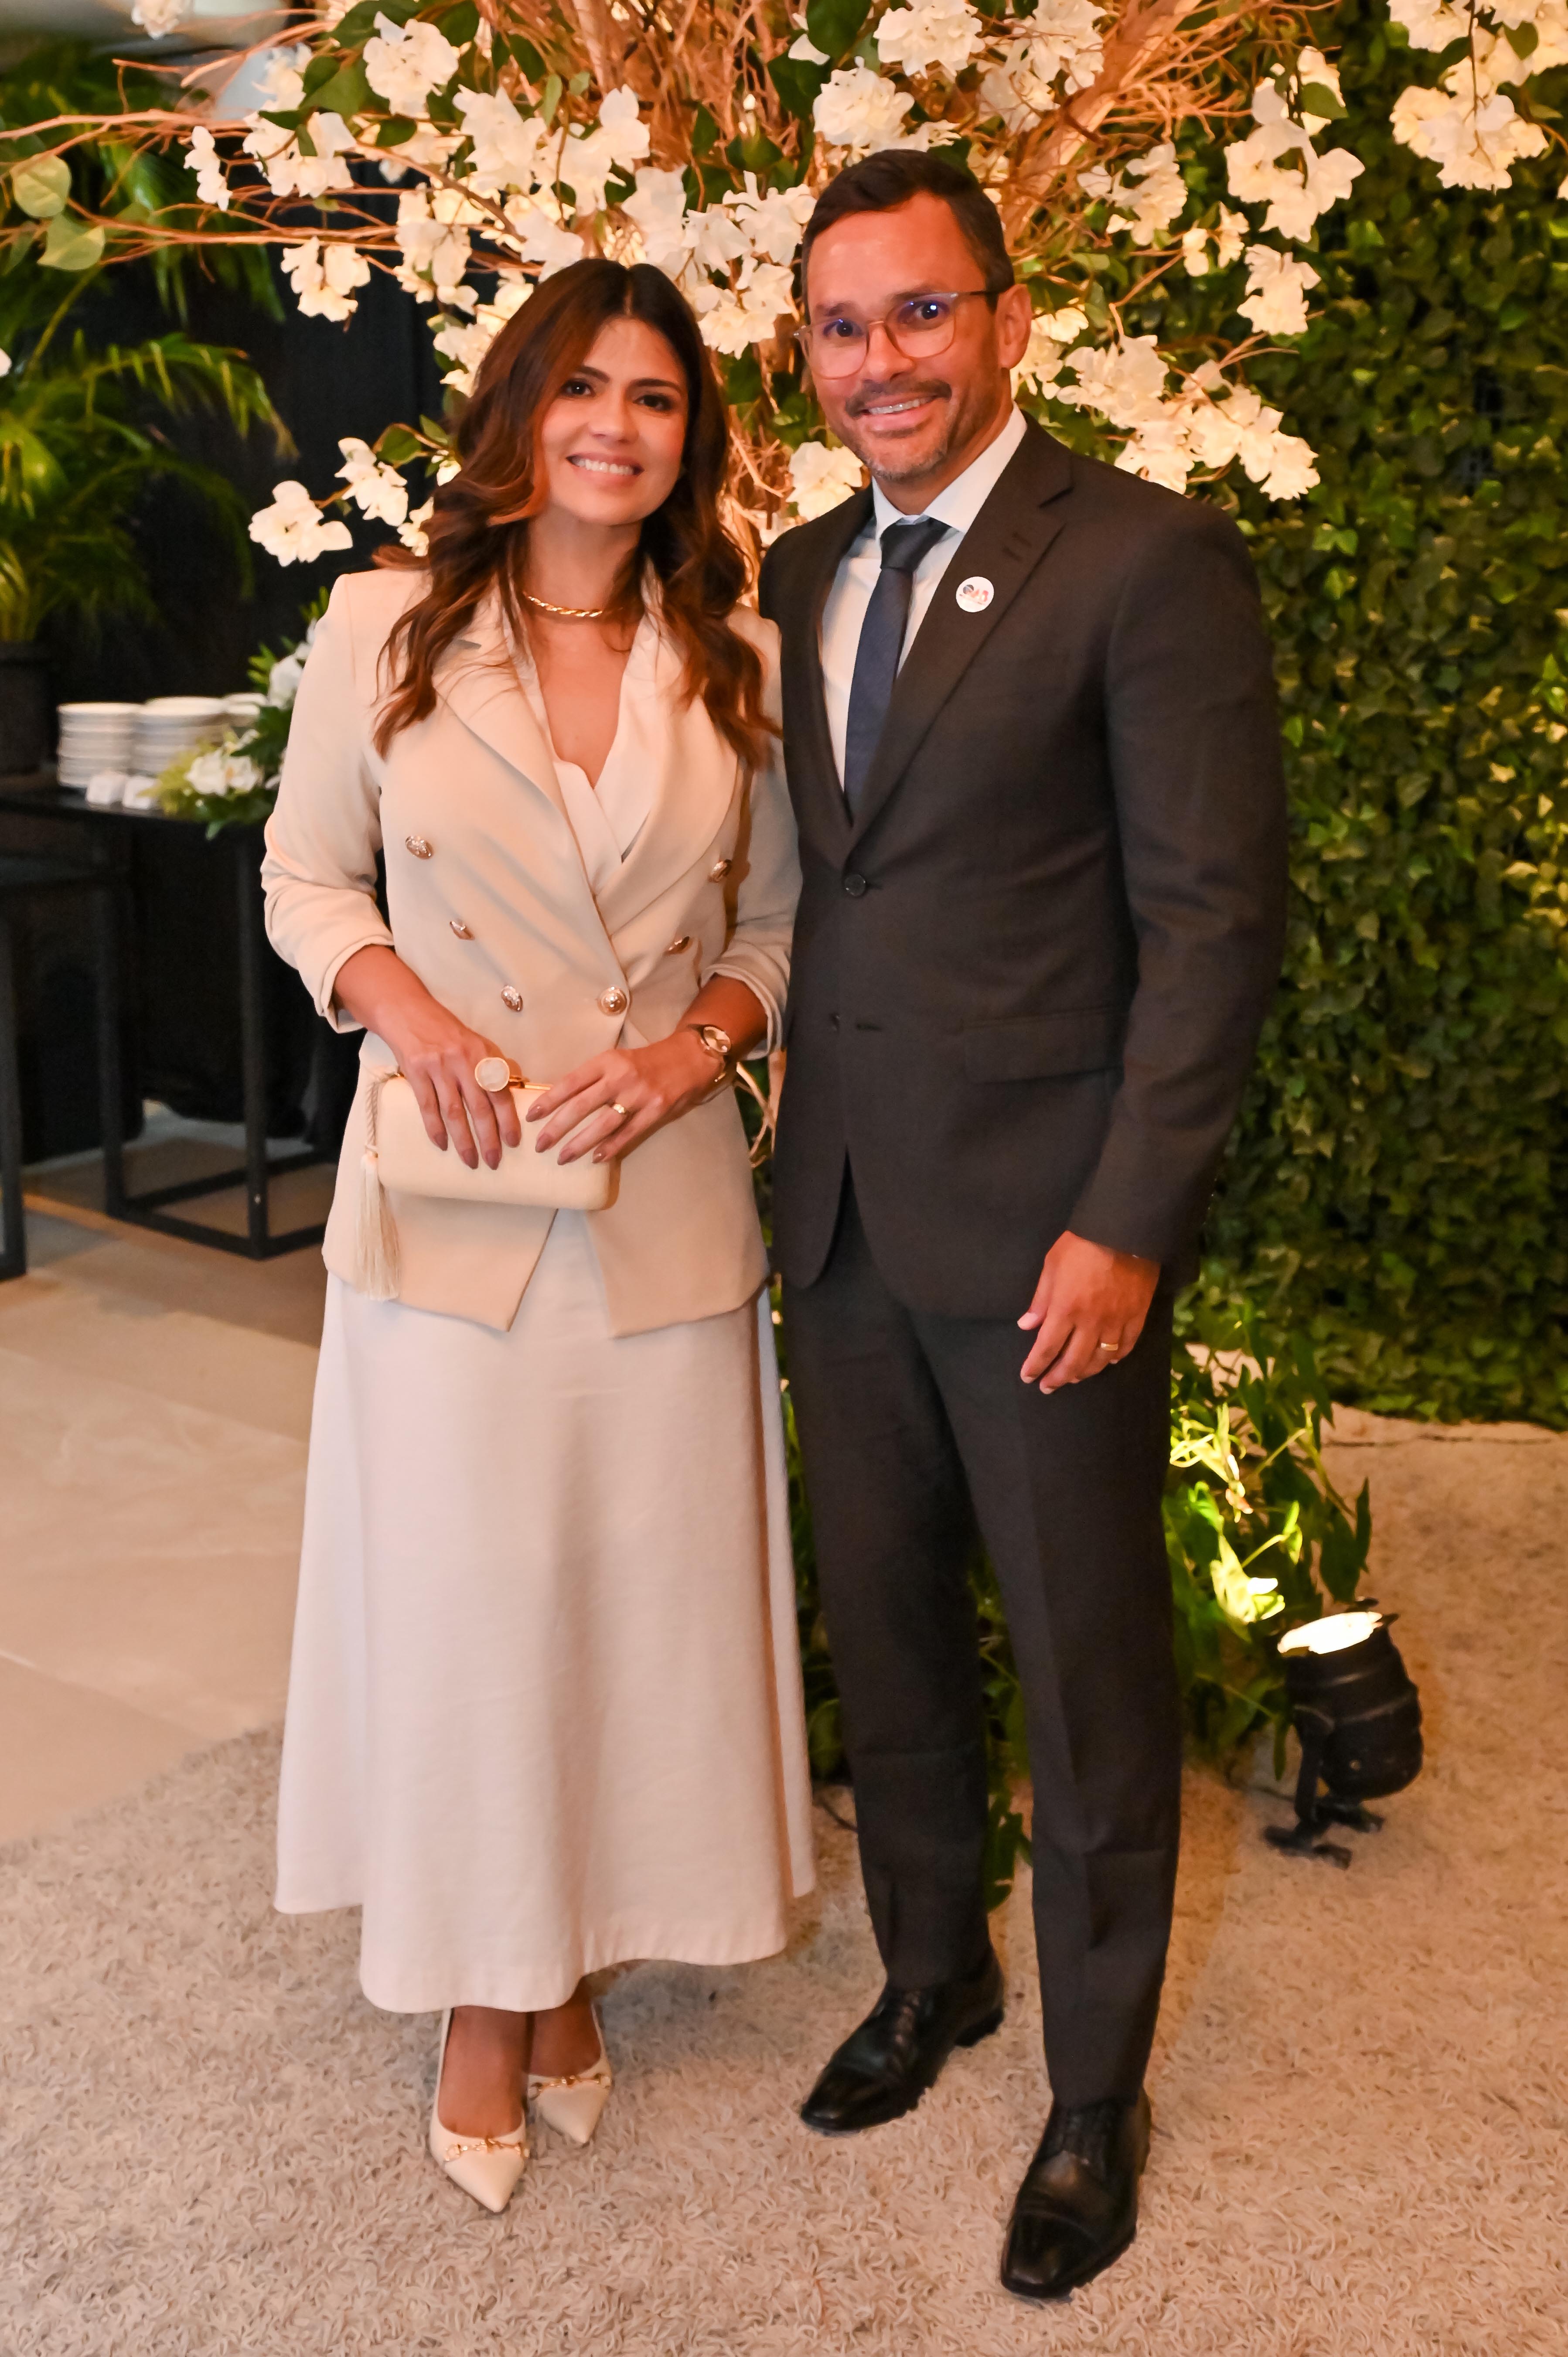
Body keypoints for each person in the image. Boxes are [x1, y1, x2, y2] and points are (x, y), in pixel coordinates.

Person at [760, 151, 1287, 2300]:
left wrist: (1127, 1219)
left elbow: (1210, 922)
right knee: (886, 1634)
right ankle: (931, 1971)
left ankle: (1090, 2090)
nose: (878, 359)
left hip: (1050, 1238)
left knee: (1079, 1674)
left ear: (1002, 319)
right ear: (803, 356)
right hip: (841, 1214)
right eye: (839, 325)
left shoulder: (1143, 559)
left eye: (917, 311)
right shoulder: (797, 568)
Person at [262, 257, 813, 2215]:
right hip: (455, 1200)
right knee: (472, 1616)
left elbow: (775, 929)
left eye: (654, 398)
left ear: (688, 440)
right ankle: (485, 2001)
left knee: (626, 1614)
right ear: (521, 410)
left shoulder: (736, 652)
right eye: (582, 387)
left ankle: (569, 1958)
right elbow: (306, 874)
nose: (615, 426)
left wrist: (689, 1053)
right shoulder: (383, 625)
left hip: (658, 1202)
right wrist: (408, 1015)